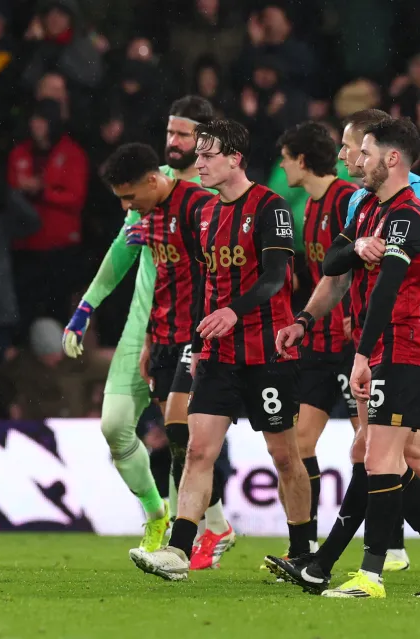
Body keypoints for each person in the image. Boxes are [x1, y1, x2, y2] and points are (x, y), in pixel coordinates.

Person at [269, 109, 420, 586]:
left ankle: (393, 565)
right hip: (376, 336)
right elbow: (336, 265)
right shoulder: (363, 204)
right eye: (353, 148)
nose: (349, 156)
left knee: (394, 455)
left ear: (387, 156)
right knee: (379, 452)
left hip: (412, 331)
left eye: (357, 149)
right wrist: (307, 320)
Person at [129, 119, 312, 581]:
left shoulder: (271, 208)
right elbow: (201, 280)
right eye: (199, 155)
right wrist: (174, 335)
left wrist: (233, 310)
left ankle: (302, 551)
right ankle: (178, 551)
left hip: (266, 352)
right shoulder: (204, 213)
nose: (200, 163)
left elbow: (275, 278)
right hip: (216, 354)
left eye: (209, 155)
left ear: (235, 159)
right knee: (196, 450)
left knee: (285, 456)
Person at [61, 96, 233, 560]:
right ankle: (158, 515)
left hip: (197, 327)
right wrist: (87, 306)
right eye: (170, 133)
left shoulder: (217, 194)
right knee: (117, 427)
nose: (173, 142)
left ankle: (200, 532)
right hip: (148, 327)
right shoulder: (145, 185)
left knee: (186, 430)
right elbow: (123, 251)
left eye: (184, 134)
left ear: (207, 140)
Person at [99, 141, 237, 571]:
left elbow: (213, 268)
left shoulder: (198, 205)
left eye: (129, 195)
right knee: (180, 440)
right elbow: (162, 280)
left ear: (154, 179)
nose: (126, 205)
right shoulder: (148, 216)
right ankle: (213, 526)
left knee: (182, 431)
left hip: (196, 332)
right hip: (163, 335)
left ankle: (191, 535)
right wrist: (148, 340)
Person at [274, 121, 359, 553]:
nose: (282, 166)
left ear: (302, 160)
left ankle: (395, 542)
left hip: (350, 347)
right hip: (319, 347)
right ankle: (303, 547)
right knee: (299, 443)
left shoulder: (347, 200)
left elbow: (360, 265)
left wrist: (353, 318)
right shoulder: (308, 209)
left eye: (286, 158)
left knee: (372, 448)